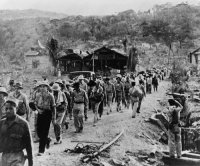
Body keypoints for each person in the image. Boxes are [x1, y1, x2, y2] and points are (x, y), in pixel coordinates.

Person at [0, 97, 33, 166]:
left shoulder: (23, 124)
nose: (8, 111)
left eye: (11, 108)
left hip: (17, 156)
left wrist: (31, 163)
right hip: (4, 156)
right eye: (6, 109)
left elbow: (29, 145)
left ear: (16, 109)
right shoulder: (2, 123)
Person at [34, 81, 56, 156]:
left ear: (47, 87)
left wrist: (54, 117)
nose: (42, 88)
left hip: (48, 114)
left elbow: (53, 107)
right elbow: (35, 104)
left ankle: (41, 150)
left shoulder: (50, 96)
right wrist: (38, 110)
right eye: (41, 86)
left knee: (44, 132)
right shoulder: (38, 95)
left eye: (44, 86)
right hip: (40, 113)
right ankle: (47, 139)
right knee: (39, 131)